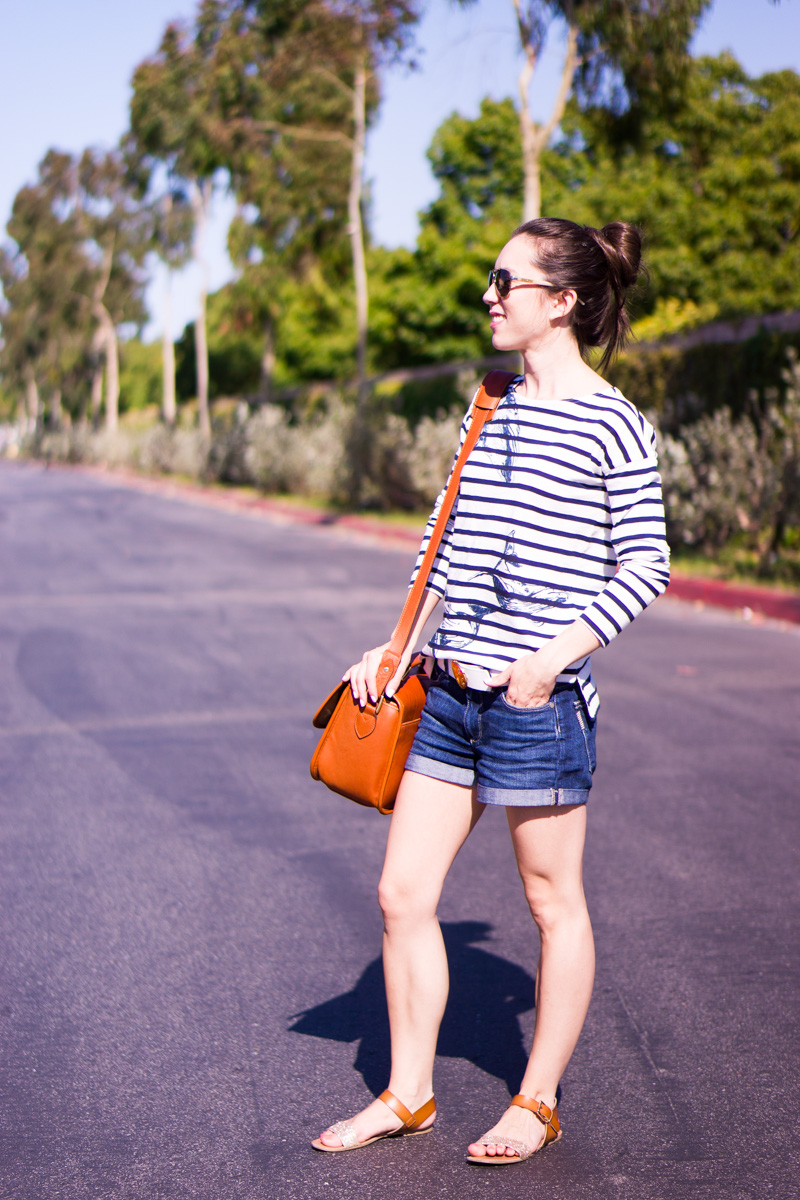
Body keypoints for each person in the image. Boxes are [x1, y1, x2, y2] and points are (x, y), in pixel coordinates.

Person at [312, 217, 670, 1165]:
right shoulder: (490, 406)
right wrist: (393, 649)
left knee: (553, 906)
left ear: (562, 302)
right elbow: (446, 549)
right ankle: (410, 1092)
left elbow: (646, 565)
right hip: (451, 695)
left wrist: (555, 655)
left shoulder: (612, 422)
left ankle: (538, 1099)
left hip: (536, 706)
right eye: (491, 280)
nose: (489, 296)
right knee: (400, 893)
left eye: (505, 282)